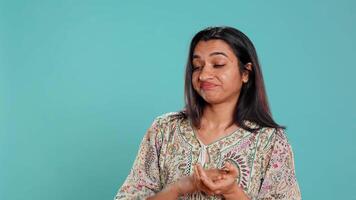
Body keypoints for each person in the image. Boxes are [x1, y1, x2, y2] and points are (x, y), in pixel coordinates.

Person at [114, 26, 301, 200]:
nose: (203, 75)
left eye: (218, 64)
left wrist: (232, 192)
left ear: (246, 73)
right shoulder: (164, 129)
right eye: (197, 66)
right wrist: (180, 187)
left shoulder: (270, 141)